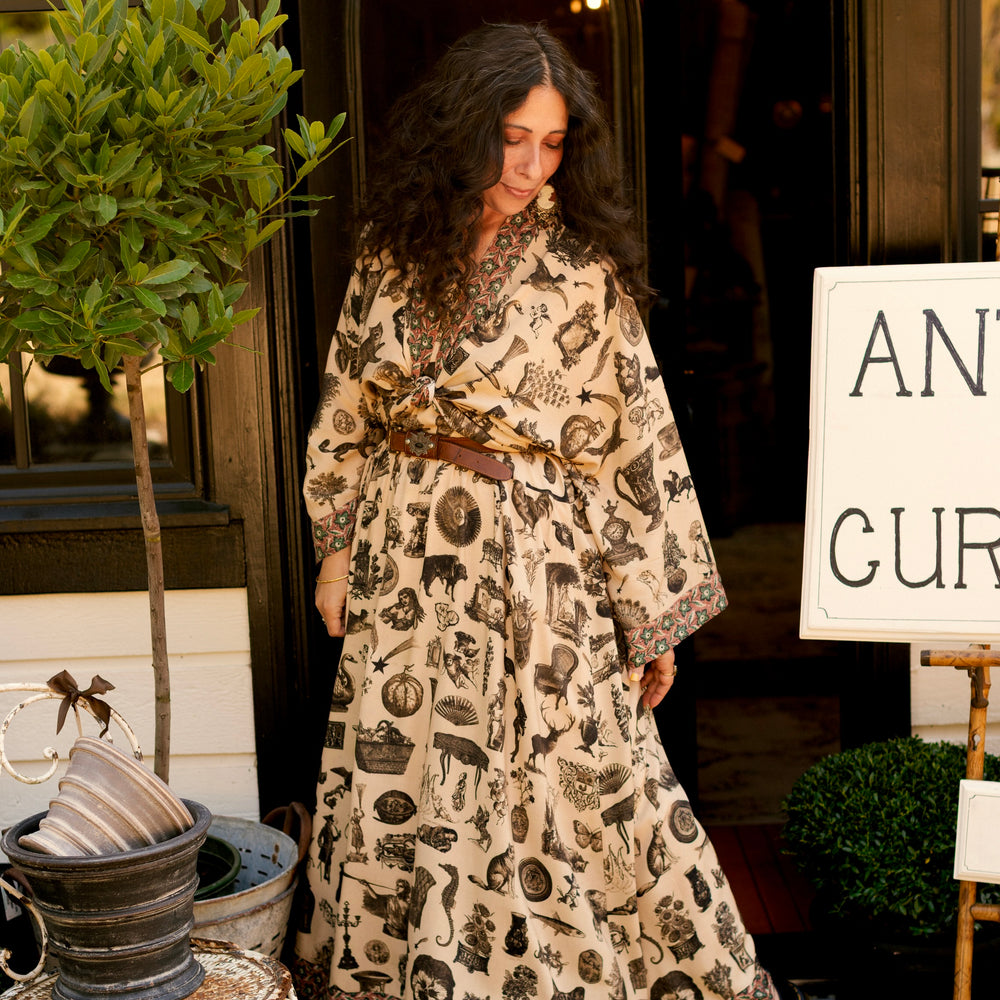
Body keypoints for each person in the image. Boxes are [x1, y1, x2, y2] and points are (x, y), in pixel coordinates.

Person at [294, 22, 778, 1000]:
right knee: (421, 773)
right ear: (469, 126)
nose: (529, 162)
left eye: (551, 142)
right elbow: (350, 399)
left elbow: (630, 441)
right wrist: (336, 544)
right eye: (514, 135)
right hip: (405, 552)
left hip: (534, 561)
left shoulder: (577, 267)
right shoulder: (394, 250)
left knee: (555, 779)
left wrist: (651, 616)